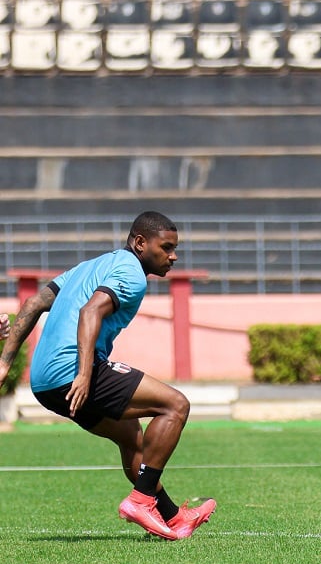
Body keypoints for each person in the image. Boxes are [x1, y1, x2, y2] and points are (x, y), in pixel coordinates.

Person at [0, 211, 215, 541]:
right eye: (167, 247)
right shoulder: (132, 273)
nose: (173, 256)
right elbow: (91, 311)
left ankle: (173, 517)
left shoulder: (91, 266)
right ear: (140, 243)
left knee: (131, 436)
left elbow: (31, 304)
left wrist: (4, 363)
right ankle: (141, 501)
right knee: (175, 406)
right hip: (71, 372)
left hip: (44, 382)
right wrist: (85, 374)